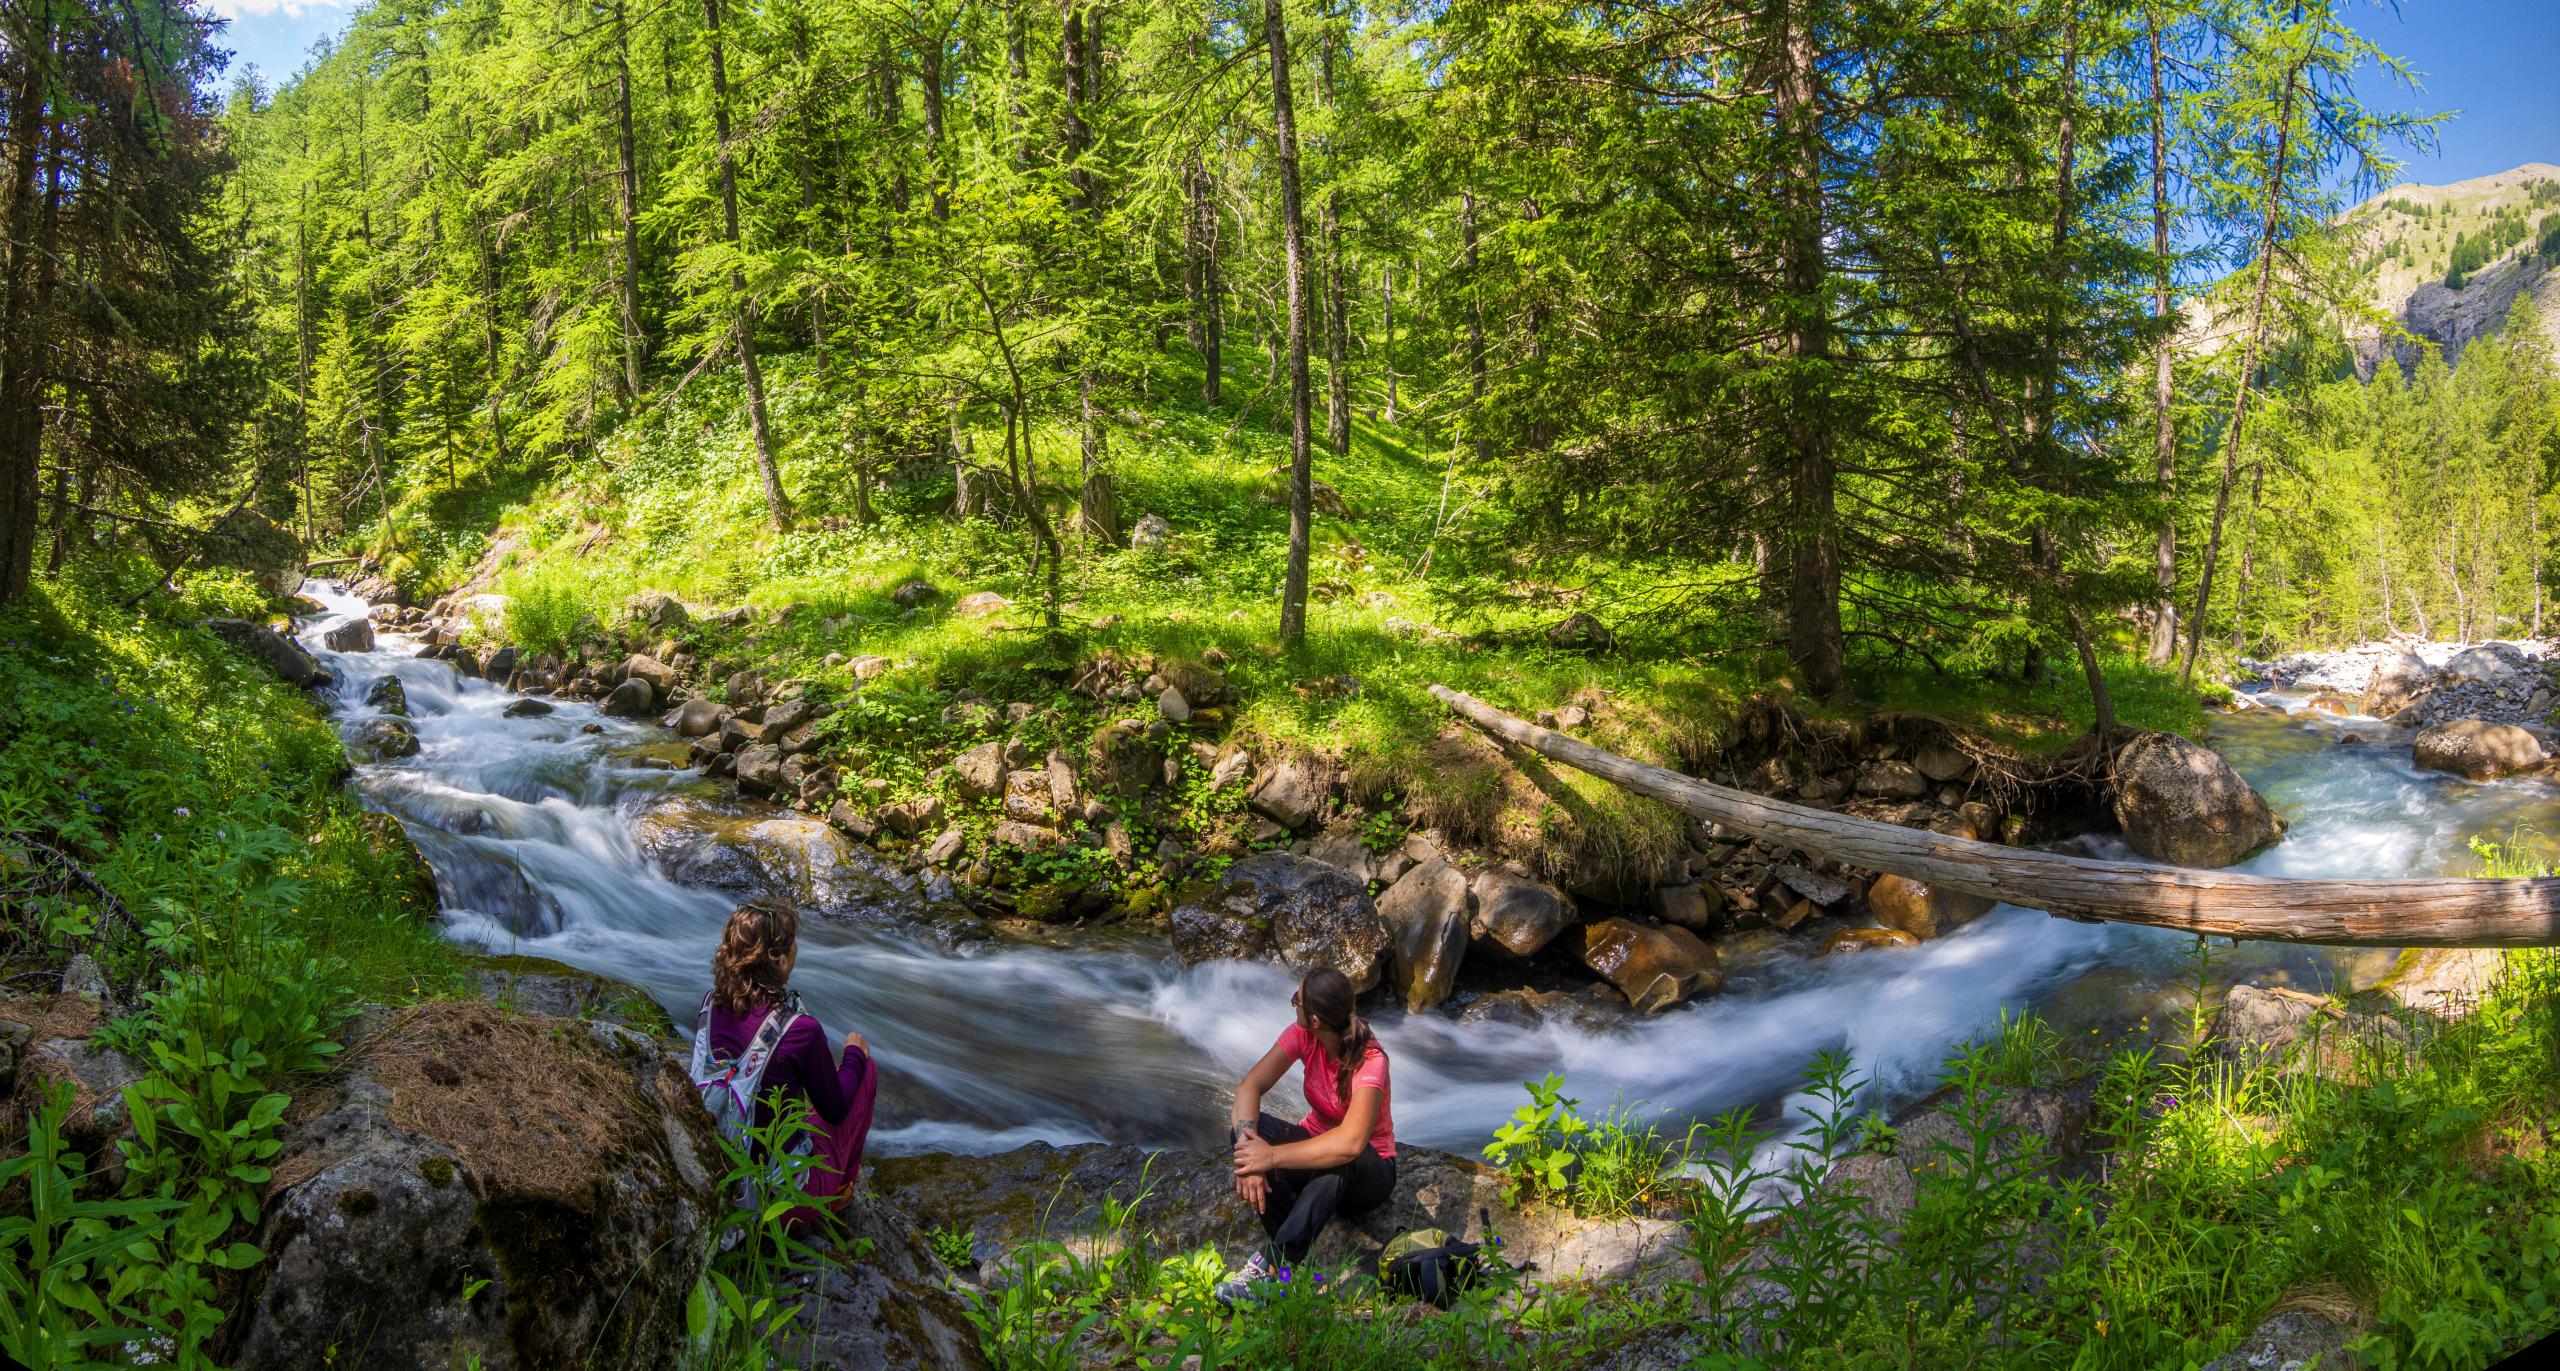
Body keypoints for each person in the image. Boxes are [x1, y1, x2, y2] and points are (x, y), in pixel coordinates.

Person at [690, 900, 877, 1225]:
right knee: (864, 1073)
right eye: (792, 944)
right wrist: (854, 1057)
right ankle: (839, 1194)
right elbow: (835, 1108)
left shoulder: (710, 1004)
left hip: (715, 1172)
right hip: (779, 1199)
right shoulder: (799, 1030)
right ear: (778, 959)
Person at [1217, 967, 1397, 1303]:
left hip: (1368, 1172)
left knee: (1341, 1157)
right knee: (1255, 1128)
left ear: (1315, 1020)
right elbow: (1249, 1087)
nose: (1292, 1004)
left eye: (1295, 1001)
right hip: (1313, 1154)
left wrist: (1270, 1157)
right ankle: (1298, 1256)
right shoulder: (1303, 1036)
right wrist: (1249, 1153)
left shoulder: (1370, 1060)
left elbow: (1351, 1142)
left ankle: (1274, 1265)